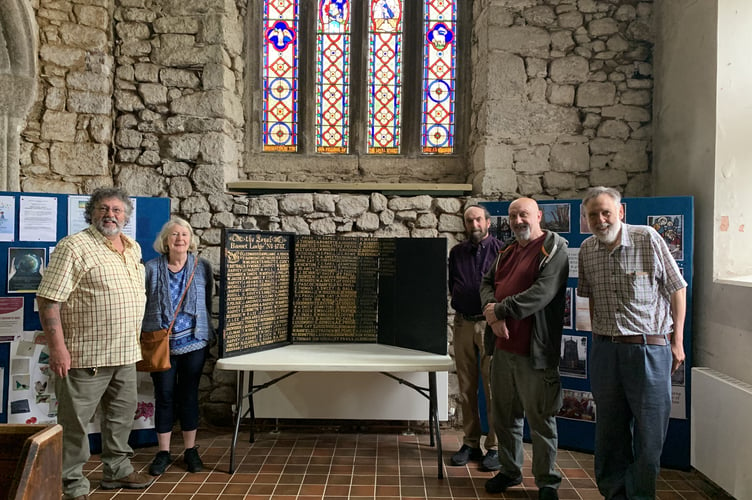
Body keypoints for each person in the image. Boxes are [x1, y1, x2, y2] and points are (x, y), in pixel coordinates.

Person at [36, 187, 153, 500]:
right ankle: (72, 484)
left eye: (116, 210)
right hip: (86, 356)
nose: (110, 215)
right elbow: (48, 301)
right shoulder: (74, 247)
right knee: (74, 424)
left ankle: (117, 469)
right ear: (91, 213)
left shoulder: (133, 248)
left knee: (121, 417)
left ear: (126, 216)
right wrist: (58, 348)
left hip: (126, 353)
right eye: (103, 208)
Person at [578, 186, 687, 500]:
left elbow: (677, 289)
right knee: (610, 431)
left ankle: (640, 495)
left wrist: (676, 341)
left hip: (648, 349)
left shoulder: (647, 238)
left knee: (650, 433)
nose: (600, 219)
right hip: (605, 350)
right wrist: (599, 338)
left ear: (620, 212)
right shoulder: (587, 249)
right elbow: (593, 299)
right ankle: (614, 493)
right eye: (593, 215)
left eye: (606, 212)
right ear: (586, 219)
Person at [479, 197, 569, 500]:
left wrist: (499, 311)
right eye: (514, 216)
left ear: (539, 215)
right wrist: (492, 317)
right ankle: (510, 470)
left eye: (525, 214)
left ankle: (547, 482)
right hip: (504, 350)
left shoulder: (554, 249)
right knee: (504, 417)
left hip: (536, 353)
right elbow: (486, 283)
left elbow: (541, 293)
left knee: (541, 419)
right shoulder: (506, 251)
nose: (518, 221)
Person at [143, 217, 214, 476]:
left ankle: (191, 450)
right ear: (165, 240)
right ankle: (163, 452)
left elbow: (208, 301)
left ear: (190, 239)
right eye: (174, 234)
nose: (180, 239)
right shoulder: (150, 268)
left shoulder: (202, 267)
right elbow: (142, 302)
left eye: (184, 234)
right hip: (161, 344)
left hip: (194, 341)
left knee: (188, 396)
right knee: (164, 397)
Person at [448, 205, 503, 470]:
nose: (474, 224)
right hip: (462, 324)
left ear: (488, 222)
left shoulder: (502, 250)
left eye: (478, 219)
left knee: (492, 386)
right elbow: (453, 285)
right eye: (469, 221)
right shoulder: (456, 252)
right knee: (467, 386)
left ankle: (494, 447)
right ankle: (470, 443)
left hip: (489, 325)